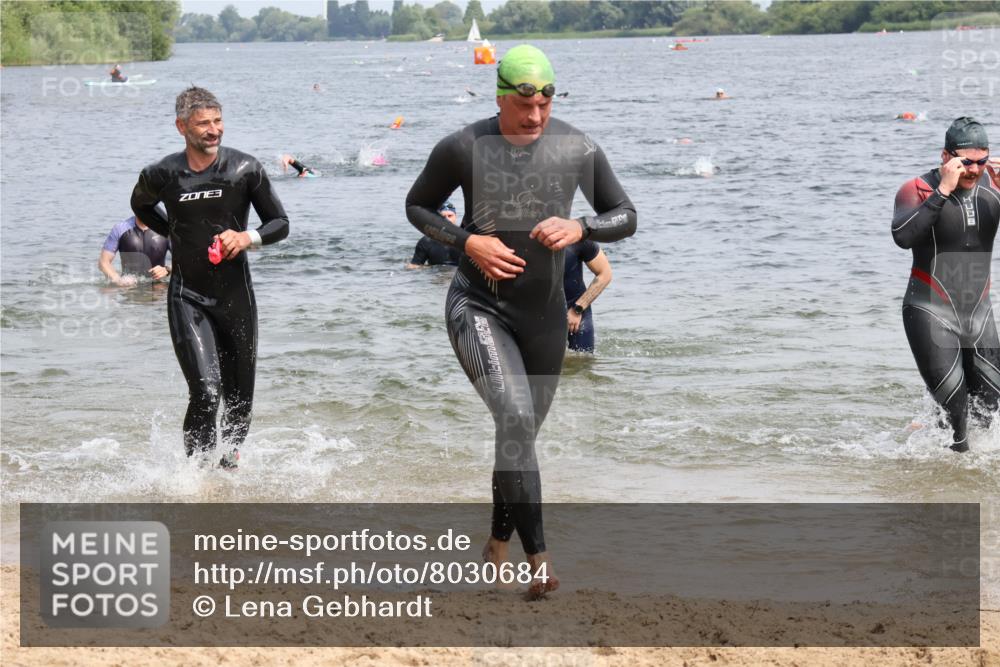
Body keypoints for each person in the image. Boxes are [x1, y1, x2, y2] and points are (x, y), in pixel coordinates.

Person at [405, 44, 636, 596]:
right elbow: (417, 205)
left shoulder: (576, 146)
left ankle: (496, 543)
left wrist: (583, 228)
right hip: (477, 305)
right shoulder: (463, 146)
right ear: (501, 97)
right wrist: (468, 242)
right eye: (523, 106)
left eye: (545, 106)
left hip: (545, 316)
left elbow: (625, 215)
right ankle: (540, 564)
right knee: (512, 418)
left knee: (518, 436)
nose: (534, 118)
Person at [130, 86, 290, 468]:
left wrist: (247, 238)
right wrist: (174, 233)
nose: (213, 130)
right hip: (188, 295)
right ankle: (196, 476)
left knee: (239, 398)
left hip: (236, 297)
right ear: (181, 126)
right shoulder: (162, 174)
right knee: (204, 391)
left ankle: (229, 465)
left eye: (218, 121)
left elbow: (280, 224)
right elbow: (140, 204)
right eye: (203, 123)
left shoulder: (245, 169)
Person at [892, 117, 1000, 452]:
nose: (974, 170)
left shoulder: (992, 189)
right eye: (966, 162)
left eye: (981, 162)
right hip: (930, 311)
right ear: (945, 157)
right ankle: (948, 495)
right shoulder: (918, 189)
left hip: (979, 315)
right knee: (956, 420)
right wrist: (942, 192)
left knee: (989, 409)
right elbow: (903, 236)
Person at [564, 241, 612, 353]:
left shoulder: (576, 238)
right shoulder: (521, 239)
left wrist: (577, 309)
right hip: (540, 316)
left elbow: (605, 273)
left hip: (575, 315)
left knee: (582, 363)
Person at [99, 214, 170, 287]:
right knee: (107, 291)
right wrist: (118, 280)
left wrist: (167, 270)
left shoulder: (166, 229)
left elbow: (181, 260)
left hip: (159, 287)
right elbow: (103, 262)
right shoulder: (120, 229)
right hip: (129, 288)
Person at [407, 202, 462, 268]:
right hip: (436, 276)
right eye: (443, 216)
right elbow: (413, 267)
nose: (447, 219)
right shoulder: (426, 241)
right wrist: (428, 268)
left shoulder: (465, 239)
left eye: (450, 216)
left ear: (455, 216)